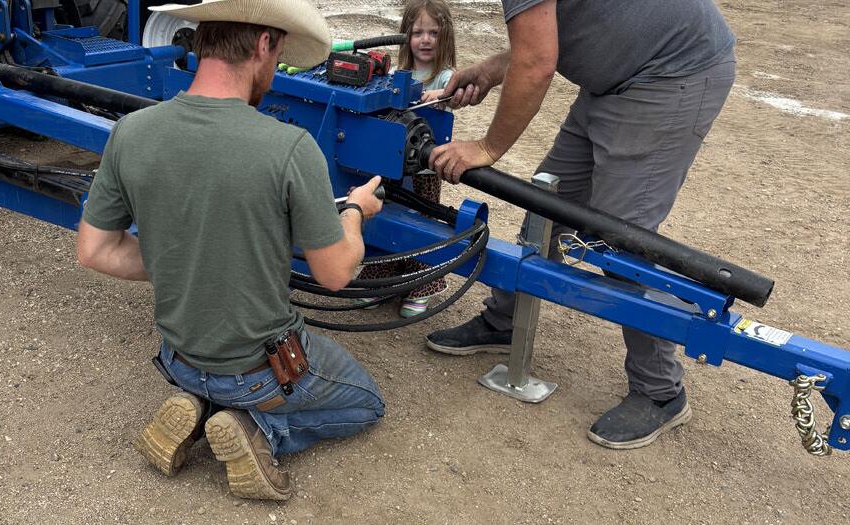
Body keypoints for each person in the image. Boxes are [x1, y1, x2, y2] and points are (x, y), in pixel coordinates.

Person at [76, 0, 385, 501]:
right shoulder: (290, 147)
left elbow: (94, 250)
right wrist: (354, 211)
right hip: (260, 372)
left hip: (178, 358)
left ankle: (198, 406)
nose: (275, 68)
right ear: (263, 44)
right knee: (367, 404)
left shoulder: (131, 132)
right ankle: (257, 429)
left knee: (212, 375)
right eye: (278, 54)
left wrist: (186, 258)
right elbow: (334, 274)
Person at [425, 0, 737, 449]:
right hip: (622, 75)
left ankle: (660, 391)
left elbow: (537, 62)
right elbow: (558, 27)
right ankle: (506, 321)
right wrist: (493, 69)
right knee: (548, 207)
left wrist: (488, 147)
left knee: (623, 241)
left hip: (671, 74)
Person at [357, 0, 457, 317]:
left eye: (434, 33)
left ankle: (421, 285)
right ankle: (383, 279)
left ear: (445, 37)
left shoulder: (445, 77)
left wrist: (440, 96)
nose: (425, 40)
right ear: (405, 36)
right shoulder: (398, 73)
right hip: (392, 165)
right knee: (385, 216)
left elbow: (454, 95)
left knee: (419, 225)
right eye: (417, 33)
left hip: (424, 171)